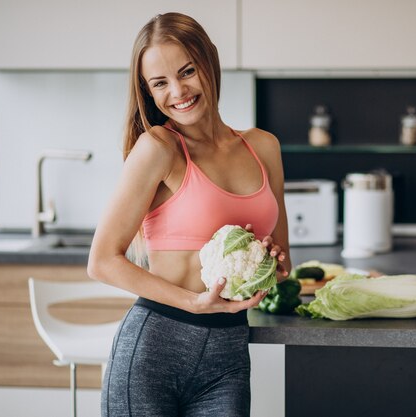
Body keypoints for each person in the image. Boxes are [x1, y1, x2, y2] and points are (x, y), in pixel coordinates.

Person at [87, 12, 291, 417]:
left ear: (209, 62)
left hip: (228, 355)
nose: (178, 91)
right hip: (154, 351)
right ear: (147, 91)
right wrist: (194, 302)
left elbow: (283, 262)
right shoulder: (159, 148)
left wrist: (274, 262)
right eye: (159, 83)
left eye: (187, 71)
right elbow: (102, 261)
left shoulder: (263, 147)